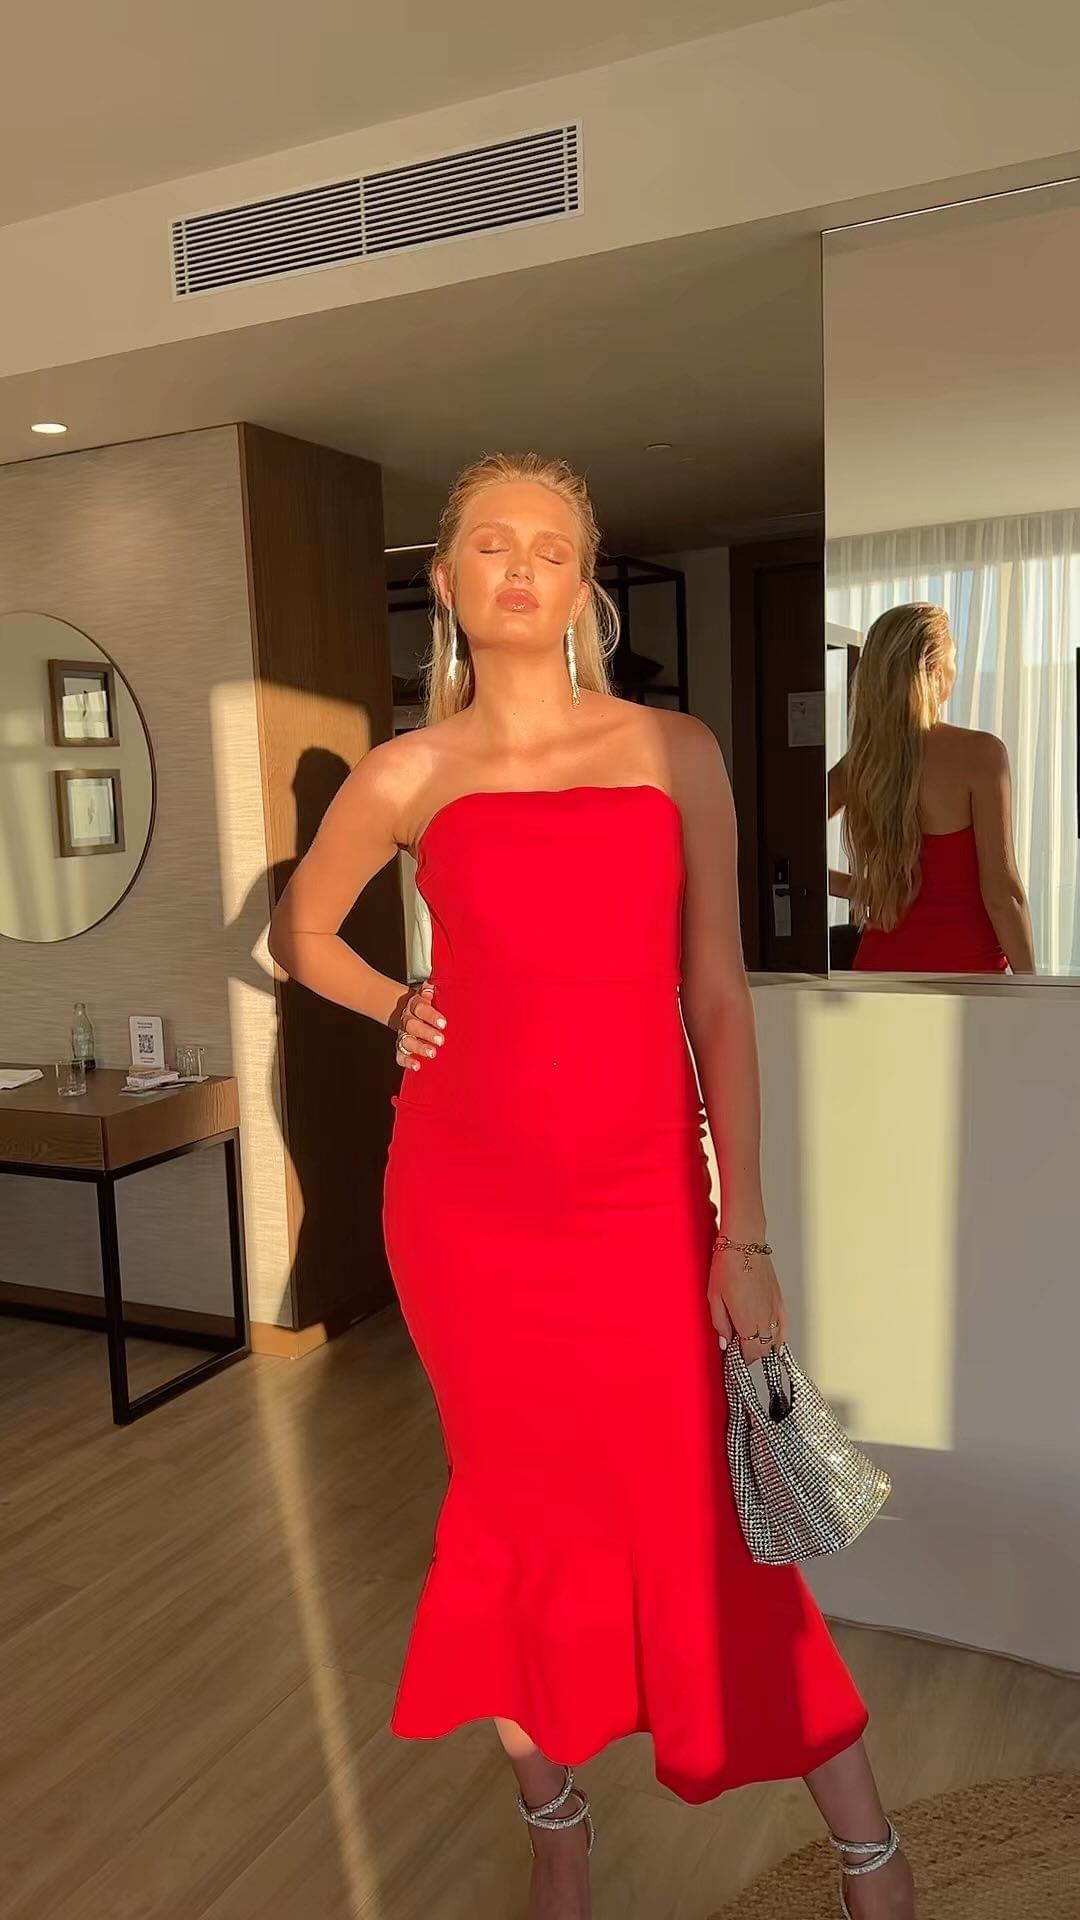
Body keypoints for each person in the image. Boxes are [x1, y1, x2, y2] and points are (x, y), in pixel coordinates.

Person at [269, 453, 915, 1920]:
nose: (519, 566)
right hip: (465, 1213)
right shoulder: (406, 773)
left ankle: (868, 1847)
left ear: (584, 588)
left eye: (550, 548)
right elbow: (303, 931)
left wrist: (744, 1230)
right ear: (445, 582)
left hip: (642, 1207)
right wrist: (392, 1003)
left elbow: (719, 1000)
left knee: (706, 1514)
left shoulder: (671, 748)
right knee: (513, 1522)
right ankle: (553, 1815)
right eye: (490, 544)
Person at [828, 603, 1034, 975]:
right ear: (934, 668)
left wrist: (860, 889)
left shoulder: (862, 763)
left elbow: (787, 850)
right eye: (954, 658)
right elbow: (1002, 894)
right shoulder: (982, 753)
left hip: (877, 973)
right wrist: (1032, 987)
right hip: (966, 975)